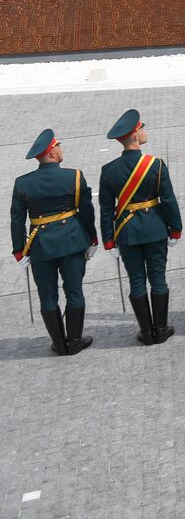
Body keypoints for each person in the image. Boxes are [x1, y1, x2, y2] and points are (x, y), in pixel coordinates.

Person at [99, 109, 182, 345]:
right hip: (155, 228)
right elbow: (168, 200)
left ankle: (146, 332)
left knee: (136, 281)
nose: (145, 131)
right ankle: (162, 328)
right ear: (135, 135)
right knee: (157, 278)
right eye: (142, 128)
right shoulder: (155, 165)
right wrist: (175, 229)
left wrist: (109, 240)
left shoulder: (109, 170)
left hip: (126, 233)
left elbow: (106, 209)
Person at [12, 129, 96, 356]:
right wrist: (93, 237)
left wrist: (19, 251)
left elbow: (17, 221)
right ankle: (75, 342)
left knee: (47, 296)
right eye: (58, 145)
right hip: (72, 241)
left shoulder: (22, 183)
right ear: (51, 152)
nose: (60, 148)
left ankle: (59, 344)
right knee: (74, 291)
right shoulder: (74, 176)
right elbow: (87, 212)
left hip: (40, 247)